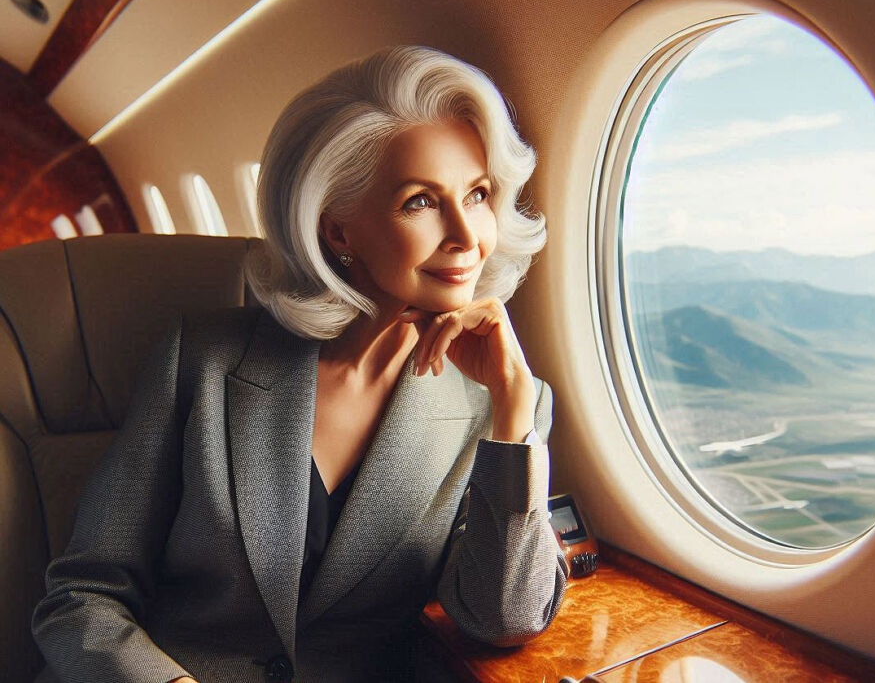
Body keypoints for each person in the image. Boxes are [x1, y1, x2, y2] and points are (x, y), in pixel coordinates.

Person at [31, 45, 568, 683]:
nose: (465, 234)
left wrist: (510, 409)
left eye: (477, 194)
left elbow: (501, 617)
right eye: (420, 202)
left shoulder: (504, 407)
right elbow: (80, 597)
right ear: (338, 230)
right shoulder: (199, 361)